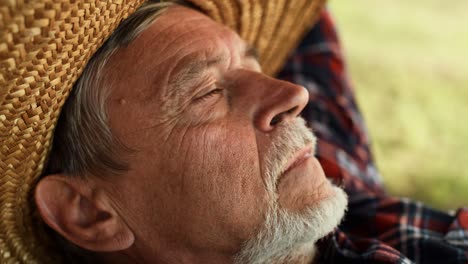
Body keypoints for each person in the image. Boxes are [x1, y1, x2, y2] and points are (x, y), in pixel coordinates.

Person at [0, 0, 467, 263]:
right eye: (205, 93)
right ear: (88, 213)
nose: (292, 95)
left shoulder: (328, 173)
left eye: (256, 63)